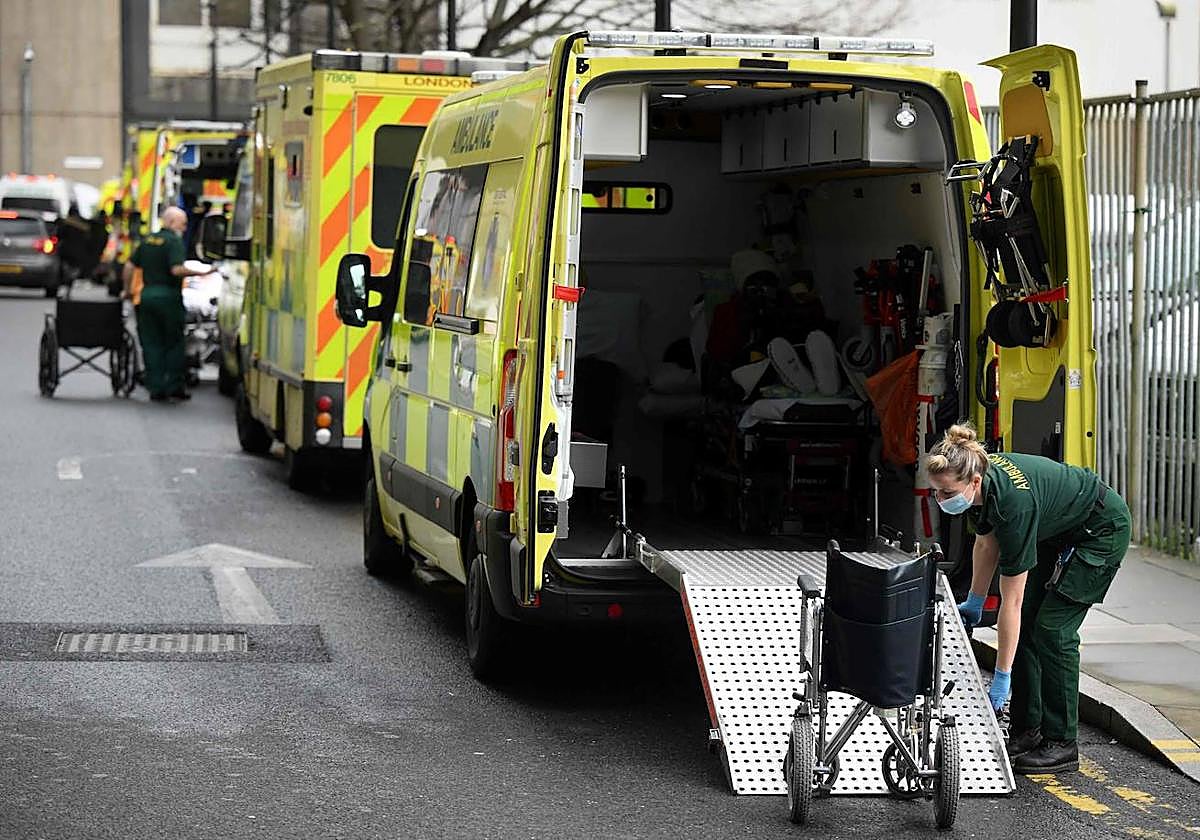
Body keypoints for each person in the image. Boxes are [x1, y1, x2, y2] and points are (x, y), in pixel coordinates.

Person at [926, 424, 1131, 774]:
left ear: (972, 482)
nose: (941, 500)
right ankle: (1027, 729)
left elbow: (1013, 602)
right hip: (1058, 529)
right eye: (937, 493)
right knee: (1030, 626)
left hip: (1100, 531)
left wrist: (1001, 677)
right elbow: (985, 543)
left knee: (1052, 631)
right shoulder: (981, 481)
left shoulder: (1013, 504)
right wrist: (975, 599)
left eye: (946, 493)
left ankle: (1063, 743)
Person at [122, 207, 209, 402]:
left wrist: (127, 290)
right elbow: (176, 269)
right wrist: (201, 273)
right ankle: (174, 386)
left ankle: (156, 387)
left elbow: (129, 266)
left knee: (151, 343)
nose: (185, 228)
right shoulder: (173, 241)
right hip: (168, 298)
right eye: (183, 223)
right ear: (170, 222)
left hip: (147, 297)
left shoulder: (147, 240)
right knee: (174, 342)